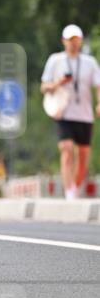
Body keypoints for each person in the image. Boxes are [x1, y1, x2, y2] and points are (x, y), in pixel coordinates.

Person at [41, 24, 100, 200]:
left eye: (76, 39)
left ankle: (75, 187)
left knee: (82, 156)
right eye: (70, 40)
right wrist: (59, 82)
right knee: (66, 150)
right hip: (64, 113)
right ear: (63, 41)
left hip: (84, 114)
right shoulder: (55, 60)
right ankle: (69, 193)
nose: (73, 43)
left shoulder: (90, 62)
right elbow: (44, 87)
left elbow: (98, 85)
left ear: (80, 41)